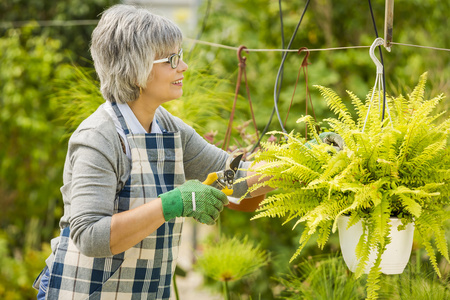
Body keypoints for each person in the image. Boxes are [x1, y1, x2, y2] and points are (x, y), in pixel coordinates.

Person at [33, 4, 344, 299]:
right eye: (171, 60)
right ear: (135, 68)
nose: (184, 66)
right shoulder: (99, 137)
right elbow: (89, 236)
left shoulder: (169, 128)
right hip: (82, 291)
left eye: (179, 56)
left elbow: (233, 179)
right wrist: (172, 203)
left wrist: (303, 159)